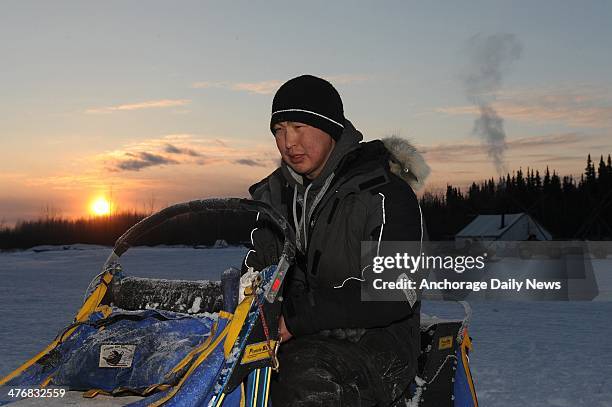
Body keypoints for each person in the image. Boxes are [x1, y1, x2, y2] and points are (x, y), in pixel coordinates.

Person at [242, 75, 430, 406]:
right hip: (297, 336)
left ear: (330, 128)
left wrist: (297, 319)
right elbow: (258, 273)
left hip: (377, 340)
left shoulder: (384, 193)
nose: (288, 142)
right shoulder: (275, 197)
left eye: (299, 127)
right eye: (279, 130)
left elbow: (396, 289)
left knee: (306, 384)